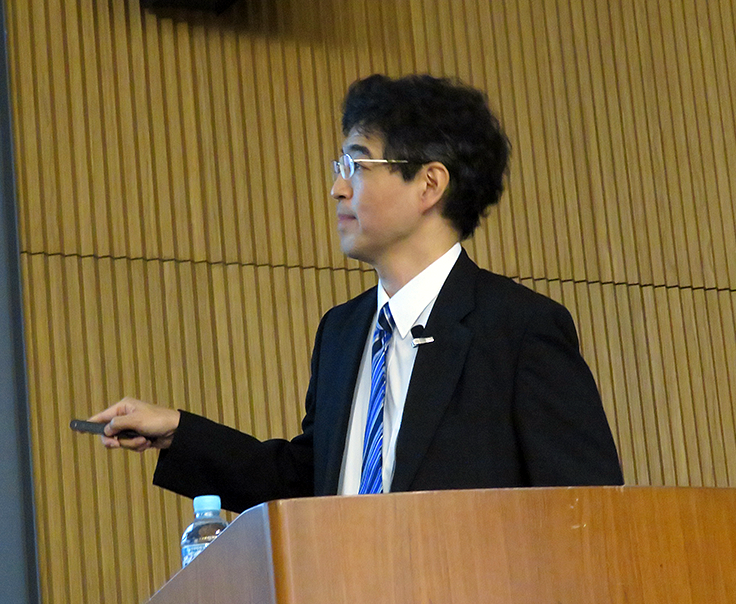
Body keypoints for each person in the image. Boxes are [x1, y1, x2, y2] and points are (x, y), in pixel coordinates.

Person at [87, 74, 623, 513]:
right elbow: (309, 484)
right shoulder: (342, 331)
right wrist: (179, 432)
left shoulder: (519, 328)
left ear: (429, 185)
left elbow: (586, 508)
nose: (337, 188)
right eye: (339, 167)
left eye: (357, 165)